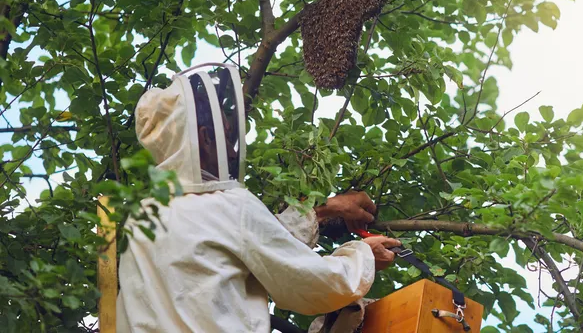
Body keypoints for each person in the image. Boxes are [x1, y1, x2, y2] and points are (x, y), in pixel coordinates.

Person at [117, 63, 400, 332]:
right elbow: (311, 282)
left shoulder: (141, 219)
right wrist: (364, 256)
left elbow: (254, 243)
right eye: (226, 137)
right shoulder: (227, 205)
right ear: (204, 138)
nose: (232, 152)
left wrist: (325, 210)